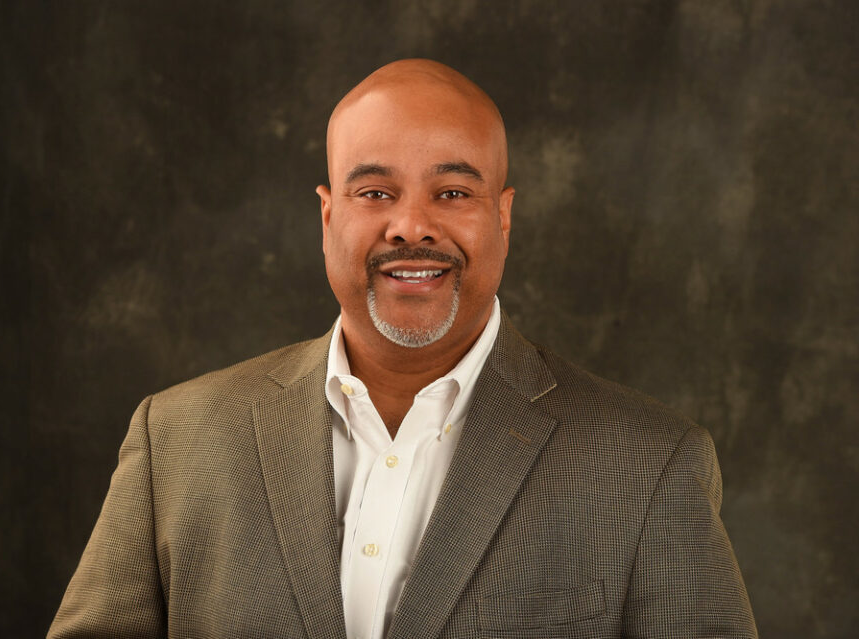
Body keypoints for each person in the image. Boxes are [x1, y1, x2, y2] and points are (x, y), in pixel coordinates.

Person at [48, 59, 757, 638]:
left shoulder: (650, 466)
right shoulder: (176, 440)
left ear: (503, 216)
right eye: (375, 192)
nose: (410, 226)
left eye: (452, 192)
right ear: (328, 215)